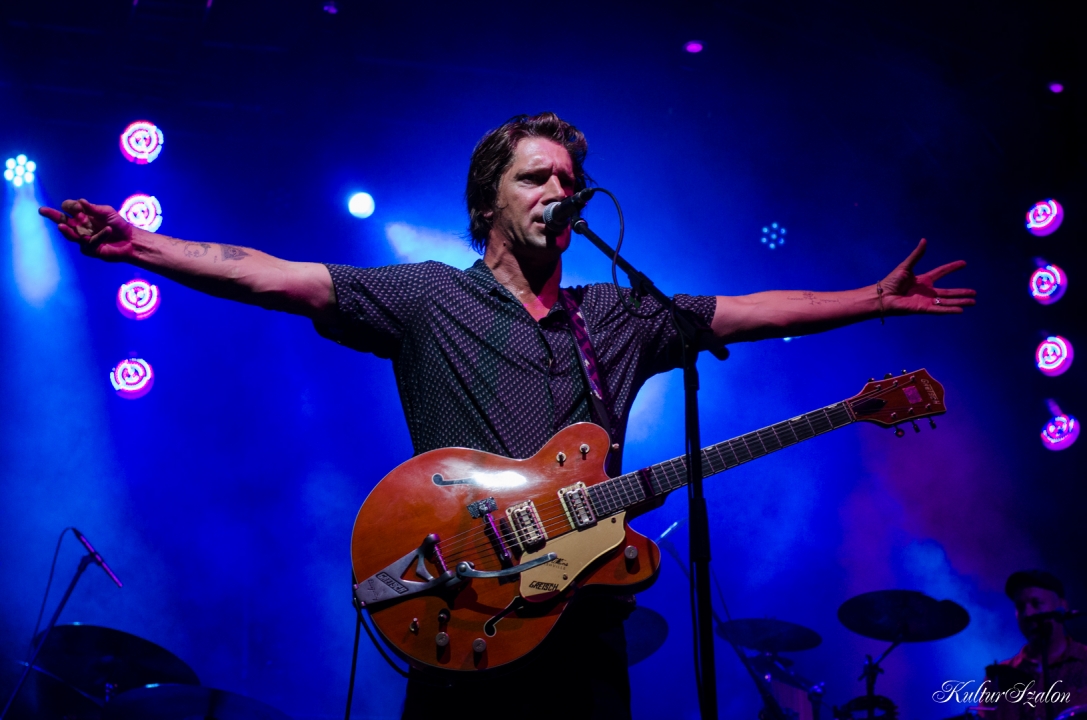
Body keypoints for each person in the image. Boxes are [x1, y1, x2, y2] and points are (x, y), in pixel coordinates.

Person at [39, 112, 975, 719]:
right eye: (534, 177)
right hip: (463, 600)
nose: (557, 192)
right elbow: (275, 276)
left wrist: (872, 299)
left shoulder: (617, 315)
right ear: (489, 199)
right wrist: (145, 246)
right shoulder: (428, 297)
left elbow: (750, 311)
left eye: (568, 179)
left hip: (584, 625)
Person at [987, 571, 1087, 720]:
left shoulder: (1084, 661)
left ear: (1062, 607)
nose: (1027, 614)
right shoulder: (1000, 676)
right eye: (1020, 607)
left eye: (1036, 603)